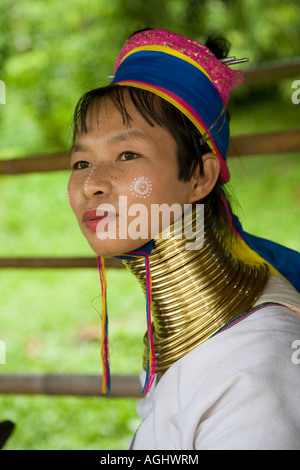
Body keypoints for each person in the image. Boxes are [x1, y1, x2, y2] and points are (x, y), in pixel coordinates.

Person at [67, 29, 300, 450]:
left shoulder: (256, 366)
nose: (91, 184)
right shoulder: (180, 339)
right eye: (81, 161)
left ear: (200, 176)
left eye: (127, 155)